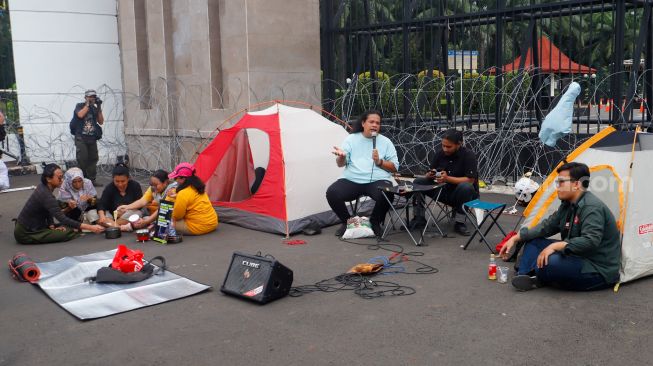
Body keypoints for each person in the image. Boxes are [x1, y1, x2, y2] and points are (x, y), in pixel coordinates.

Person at [499, 162, 621, 292]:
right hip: (575, 256)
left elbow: (590, 241)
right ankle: (525, 276)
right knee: (533, 241)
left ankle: (538, 274)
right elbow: (546, 227)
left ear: (576, 184)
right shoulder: (567, 204)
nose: (557, 186)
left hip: (595, 267)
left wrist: (555, 246)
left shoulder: (591, 207)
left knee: (552, 262)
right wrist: (516, 238)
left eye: (561, 182)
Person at [326, 110, 399, 237]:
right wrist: (342, 156)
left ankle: (374, 222)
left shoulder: (386, 142)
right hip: (352, 179)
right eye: (371, 122)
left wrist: (379, 161)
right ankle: (348, 222)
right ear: (363, 123)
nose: (375, 125)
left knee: (388, 193)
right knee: (332, 192)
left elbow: (394, 168)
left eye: (377, 123)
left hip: (377, 179)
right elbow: (340, 164)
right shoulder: (351, 139)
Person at [14, 163, 105, 244]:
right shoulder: (46, 194)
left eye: (62, 177)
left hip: (35, 225)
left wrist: (51, 225)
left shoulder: (43, 188)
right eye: (59, 178)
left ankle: (63, 228)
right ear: (49, 179)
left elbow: (47, 210)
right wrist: (91, 228)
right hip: (26, 232)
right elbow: (62, 218)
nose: (62, 180)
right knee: (67, 231)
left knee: (66, 226)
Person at [412, 129, 479, 235]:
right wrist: (430, 174)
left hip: (463, 194)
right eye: (443, 145)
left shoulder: (468, 155)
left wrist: (447, 178)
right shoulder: (440, 153)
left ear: (459, 144)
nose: (445, 149)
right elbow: (431, 171)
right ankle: (418, 218)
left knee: (465, 187)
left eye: (449, 147)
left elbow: (470, 180)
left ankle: (460, 222)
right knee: (418, 182)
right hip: (444, 190)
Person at [167, 162, 218, 235]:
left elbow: (177, 216)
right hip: (212, 223)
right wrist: (176, 196)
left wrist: (170, 198)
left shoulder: (183, 193)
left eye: (176, 178)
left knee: (165, 221)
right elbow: (191, 198)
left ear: (183, 178)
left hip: (197, 227)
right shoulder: (197, 187)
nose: (175, 180)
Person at [70, 89, 104, 187]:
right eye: (90, 97)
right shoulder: (79, 106)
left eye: (93, 97)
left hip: (92, 137)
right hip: (81, 137)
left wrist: (99, 106)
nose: (92, 98)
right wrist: (88, 104)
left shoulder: (94, 108)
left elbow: (101, 121)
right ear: (85, 97)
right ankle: (81, 181)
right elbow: (80, 115)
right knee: (82, 159)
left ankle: (91, 180)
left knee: (93, 159)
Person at [97, 164, 143, 228]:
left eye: (123, 181)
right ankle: (120, 227)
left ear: (128, 178)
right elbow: (101, 204)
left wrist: (127, 209)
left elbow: (140, 203)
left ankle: (111, 225)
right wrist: (102, 216)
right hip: (111, 216)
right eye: (117, 181)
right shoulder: (109, 188)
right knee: (95, 214)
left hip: (128, 214)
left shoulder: (135, 186)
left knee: (138, 213)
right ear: (113, 179)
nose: (120, 184)